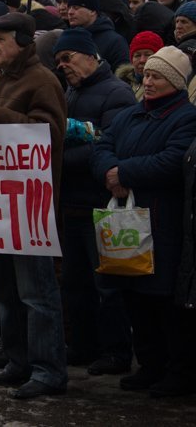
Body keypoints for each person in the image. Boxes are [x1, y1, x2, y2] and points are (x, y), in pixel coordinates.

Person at [0, 12, 68, 399]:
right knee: (8, 292)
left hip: (30, 209)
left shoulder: (42, 81)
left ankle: (48, 370)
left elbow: (50, 134)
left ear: (23, 42)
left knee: (36, 294)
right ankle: (18, 360)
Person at [92, 46, 196, 397]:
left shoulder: (186, 118)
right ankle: (149, 365)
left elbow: (172, 162)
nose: (147, 81)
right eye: (147, 75)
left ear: (175, 82)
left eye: (157, 76)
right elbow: (102, 146)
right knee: (133, 295)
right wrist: (110, 171)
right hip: (128, 219)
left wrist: (125, 172)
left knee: (164, 301)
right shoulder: (130, 115)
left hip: (163, 220)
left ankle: (176, 370)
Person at [53, 28, 136, 375]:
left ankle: (116, 350)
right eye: (58, 61)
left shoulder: (116, 93)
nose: (63, 66)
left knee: (107, 283)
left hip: (99, 204)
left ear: (89, 55)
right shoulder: (70, 91)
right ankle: (83, 344)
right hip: (70, 203)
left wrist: (56, 156)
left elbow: (108, 147)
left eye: (67, 58)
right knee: (75, 282)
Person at [66, 0, 130, 71]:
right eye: (69, 8)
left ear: (92, 11)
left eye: (76, 8)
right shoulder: (68, 39)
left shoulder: (114, 41)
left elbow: (123, 75)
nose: (70, 12)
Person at [117, 31, 164, 101]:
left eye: (147, 55)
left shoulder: (164, 88)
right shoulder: (121, 83)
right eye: (137, 55)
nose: (142, 60)